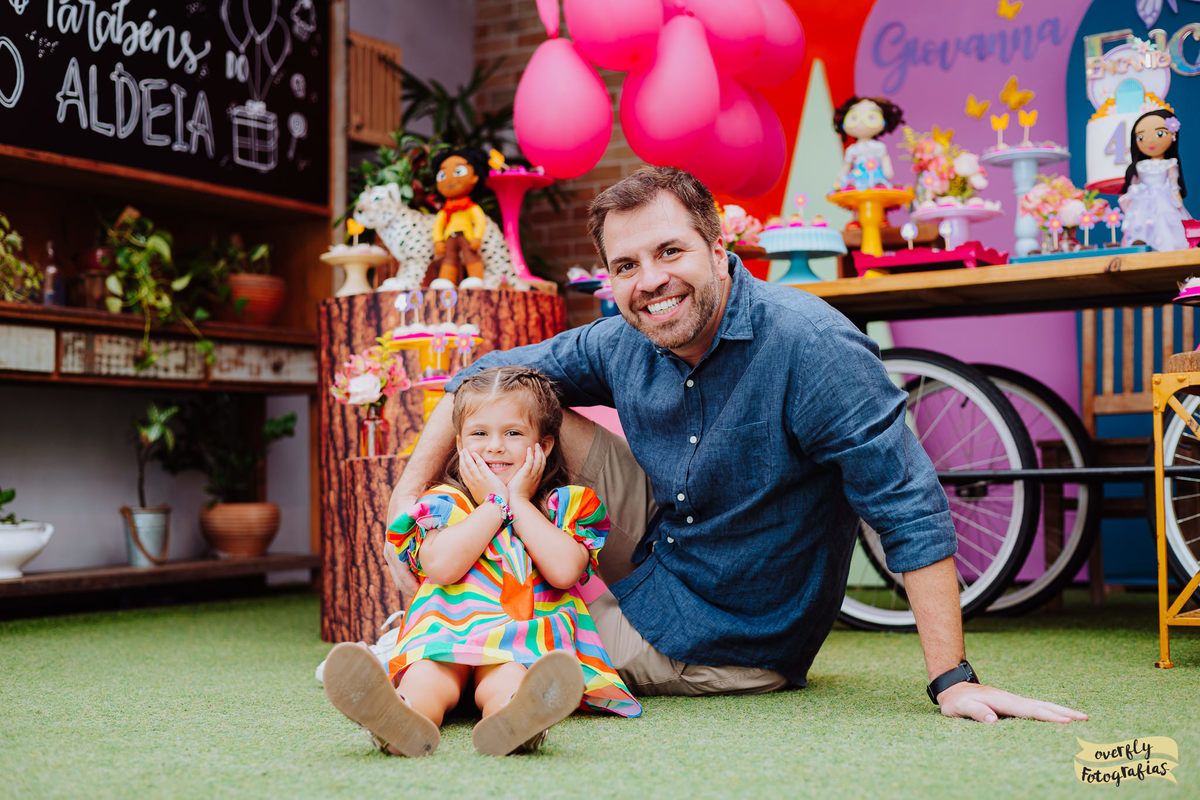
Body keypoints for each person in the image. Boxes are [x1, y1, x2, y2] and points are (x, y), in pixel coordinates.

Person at [388, 166, 1088, 724]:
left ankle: (430, 653)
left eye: (670, 252)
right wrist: (407, 504)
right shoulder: (623, 335)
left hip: (728, 632)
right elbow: (476, 380)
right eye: (626, 265)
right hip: (663, 542)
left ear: (719, 251)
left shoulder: (810, 345)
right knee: (515, 405)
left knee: (502, 647)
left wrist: (952, 680)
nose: (650, 281)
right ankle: (469, 577)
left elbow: (908, 505)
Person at [326, 366, 640, 757]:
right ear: (459, 445)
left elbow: (563, 571)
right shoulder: (446, 504)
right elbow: (441, 567)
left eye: (512, 433)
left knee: (509, 679)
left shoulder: (564, 506)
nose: (494, 446)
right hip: (444, 636)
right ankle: (400, 718)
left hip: (519, 641)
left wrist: (520, 502)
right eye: (479, 434)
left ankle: (514, 721)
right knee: (426, 677)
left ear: (542, 447)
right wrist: (494, 505)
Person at [1119, 109, 1190, 252]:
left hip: (1164, 199)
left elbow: (1173, 184)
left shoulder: (1170, 164)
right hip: (1142, 201)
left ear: (1173, 134)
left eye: (1159, 134)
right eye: (1141, 137)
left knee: (1167, 226)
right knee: (1140, 227)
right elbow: (1133, 185)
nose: (1150, 141)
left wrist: (1177, 199)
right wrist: (1131, 197)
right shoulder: (1139, 166)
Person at [427, 147, 490, 289]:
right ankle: (445, 280)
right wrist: (438, 240)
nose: (450, 178)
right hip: (449, 236)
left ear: (475, 177)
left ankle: (475, 278)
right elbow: (438, 225)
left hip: (466, 235)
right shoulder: (446, 210)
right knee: (449, 258)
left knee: (470, 255)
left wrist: (477, 237)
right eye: (442, 175)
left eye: (458, 172)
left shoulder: (470, 207)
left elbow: (480, 221)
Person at [832, 96, 905, 191]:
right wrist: (840, 176)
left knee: (879, 186)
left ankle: (879, 185)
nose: (862, 121)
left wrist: (888, 171)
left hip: (875, 176)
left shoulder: (878, 147)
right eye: (854, 117)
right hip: (856, 178)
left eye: (871, 117)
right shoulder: (852, 149)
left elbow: (885, 160)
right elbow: (847, 165)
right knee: (850, 187)